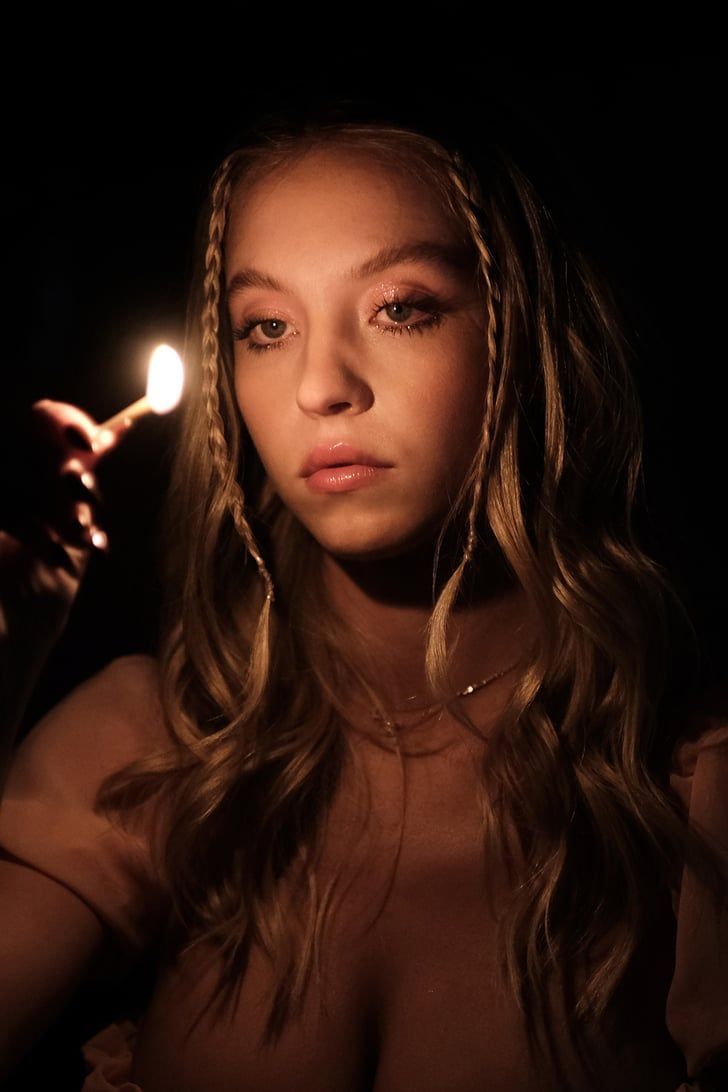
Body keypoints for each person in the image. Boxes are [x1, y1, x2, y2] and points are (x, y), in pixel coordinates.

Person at [0, 102, 727, 1092]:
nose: (320, 387)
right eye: (266, 327)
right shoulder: (158, 750)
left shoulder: (687, 793)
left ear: (523, 337)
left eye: (399, 308)